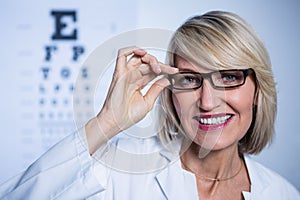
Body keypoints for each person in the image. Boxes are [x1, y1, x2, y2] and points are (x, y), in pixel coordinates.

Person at [0, 10, 299, 200]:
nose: (207, 102)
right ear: (171, 94)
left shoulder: (283, 193)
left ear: (258, 90)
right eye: (190, 80)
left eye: (229, 77)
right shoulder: (119, 172)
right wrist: (107, 122)